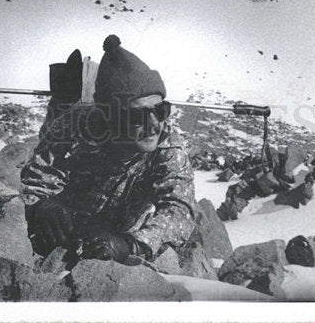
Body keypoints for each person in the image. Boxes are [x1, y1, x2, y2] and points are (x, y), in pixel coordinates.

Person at [20, 35, 197, 265]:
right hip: (65, 229)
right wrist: (42, 205)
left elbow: (179, 211)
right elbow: (36, 179)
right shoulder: (73, 126)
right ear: (110, 117)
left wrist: (132, 244)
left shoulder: (168, 145)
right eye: (137, 115)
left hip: (118, 237)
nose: (154, 124)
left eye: (161, 110)